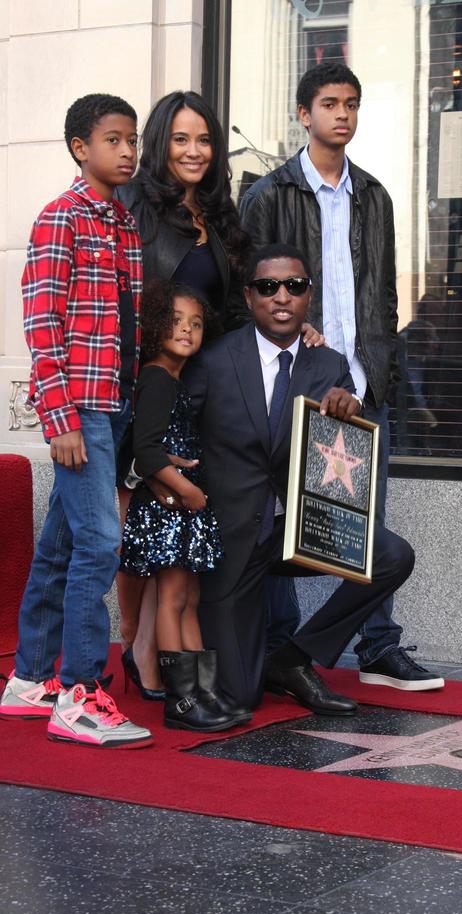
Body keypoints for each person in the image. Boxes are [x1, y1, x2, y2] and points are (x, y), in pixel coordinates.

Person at [240, 63, 443, 692]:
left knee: (366, 527)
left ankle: (376, 648)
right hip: (296, 383)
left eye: (352, 103)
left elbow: (380, 296)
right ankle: (279, 648)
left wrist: (378, 370)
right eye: (330, 103)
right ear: (305, 114)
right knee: (282, 517)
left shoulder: (374, 195)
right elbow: (248, 290)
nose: (343, 114)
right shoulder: (270, 195)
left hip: (360, 387)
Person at [115, 91, 324, 699]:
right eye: (180, 139)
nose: (194, 150)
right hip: (146, 388)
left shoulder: (220, 216)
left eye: (204, 139)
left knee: (171, 530)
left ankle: (149, 650)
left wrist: (293, 330)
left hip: (200, 393)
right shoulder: (136, 208)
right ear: (160, 143)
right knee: (145, 527)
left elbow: (238, 310)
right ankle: (134, 641)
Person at [179, 243, 417, 712]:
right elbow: (179, 434)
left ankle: (293, 659)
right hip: (232, 538)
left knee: (392, 555)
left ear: (309, 296)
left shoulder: (328, 365)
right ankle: (250, 669)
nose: (282, 296)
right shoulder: (213, 359)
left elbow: (344, 448)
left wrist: (348, 408)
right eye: (268, 287)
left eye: (295, 286)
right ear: (249, 297)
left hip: (300, 531)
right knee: (239, 697)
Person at [0, 93, 152, 748]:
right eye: (113, 140)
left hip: (113, 405)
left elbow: (129, 329)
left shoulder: (123, 226)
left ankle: (30, 679)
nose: (127, 151)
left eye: (132, 140)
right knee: (99, 543)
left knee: (63, 545)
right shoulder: (59, 219)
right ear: (80, 148)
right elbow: (42, 325)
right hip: (80, 409)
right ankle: (80, 692)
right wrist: (59, 417)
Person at [120, 280, 247, 733]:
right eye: (175, 321)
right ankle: (181, 701)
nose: (187, 331)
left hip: (184, 508)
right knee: (173, 599)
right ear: (154, 325)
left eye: (196, 324)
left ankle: (204, 692)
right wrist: (189, 492)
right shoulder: (156, 378)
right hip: (169, 509)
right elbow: (147, 450)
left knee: (190, 598)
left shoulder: (173, 380)